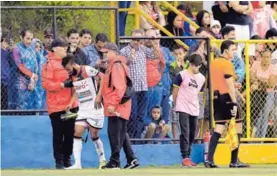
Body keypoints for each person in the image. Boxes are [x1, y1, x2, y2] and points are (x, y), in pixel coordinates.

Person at [205, 40, 249, 168]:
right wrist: (234, 102)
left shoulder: (214, 62)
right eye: (232, 50)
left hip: (216, 97)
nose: (234, 52)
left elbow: (219, 81)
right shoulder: (227, 64)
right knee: (238, 125)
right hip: (228, 98)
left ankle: (209, 160)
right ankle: (234, 161)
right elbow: (229, 85)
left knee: (219, 127)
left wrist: (233, 84)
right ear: (225, 51)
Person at [61, 54, 106, 169]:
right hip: (83, 109)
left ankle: (102, 161)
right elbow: (77, 90)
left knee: (94, 135)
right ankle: (77, 164)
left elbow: (103, 77)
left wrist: (99, 95)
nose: (67, 71)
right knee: (77, 133)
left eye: (68, 69)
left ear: (73, 64)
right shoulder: (73, 76)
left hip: (95, 108)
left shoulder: (86, 69)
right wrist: (71, 102)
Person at [42, 38, 79, 169]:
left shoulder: (70, 61)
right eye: (63, 47)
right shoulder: (49, 64)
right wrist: (63, 85)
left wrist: (73, 99)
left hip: (70, 105)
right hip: (56, 106)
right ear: (55, 48)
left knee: (69, 133)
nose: (65, 49)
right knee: (58, 134)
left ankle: (67, 159)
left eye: (65, 47)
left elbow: (77, 80)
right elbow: (46, 84)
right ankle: (59, 161)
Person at [101, 43, 139, 169]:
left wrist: (112, 104)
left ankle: (115, 161)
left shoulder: (116, 65)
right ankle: (131, 159)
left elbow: (119, 88)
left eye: (107, 52)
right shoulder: (116, 64)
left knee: (115, 134)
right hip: (121, 105)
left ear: (114, 52)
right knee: (121, 134)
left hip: (117, 105)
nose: (104, 54)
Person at [120, 29, 160, 139]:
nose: (136, 41)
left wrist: (154, 44)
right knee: (132, 115)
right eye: (135, 39)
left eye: (139, 39)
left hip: (143, 86)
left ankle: (137, 138)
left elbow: (155, 56)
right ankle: (129, 137)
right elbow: (122, 64)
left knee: (141, 115)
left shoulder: (143, 49)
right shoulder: (124, 50)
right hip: (132, 88)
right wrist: (130, 58)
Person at [172, 54, 206, 167]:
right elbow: (175, 91)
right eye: (192, 65)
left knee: (192, 133)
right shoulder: (181, 75)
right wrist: (176, 104)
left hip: (194, 108)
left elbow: (200, 95)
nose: (194, 67)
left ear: (200, 66)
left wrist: (200, 108)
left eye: (196, 66)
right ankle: (185, 157)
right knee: (185, 132)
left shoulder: (202, 78)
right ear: (189, 63)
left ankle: (188, 155)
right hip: (182, 107)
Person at [250, 49, 277, 138]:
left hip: (268, 94)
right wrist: (264, 81)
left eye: (268, 57)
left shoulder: (273, 67)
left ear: (270, 58)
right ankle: (255, 139)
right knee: (257, 116)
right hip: (257, 93)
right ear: (261, 57)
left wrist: (259, 81)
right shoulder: (256, 64)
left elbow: (271, 84)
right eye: (264, 57)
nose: (266, 59)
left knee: (265, 116)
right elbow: (251, 78)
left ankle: (261, 139)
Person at [12, 29, 40, 110]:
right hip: (20, 83)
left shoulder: (31, 50)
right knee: (21, 106)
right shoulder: (16, 49)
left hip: (32, 82)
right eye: (27, 38)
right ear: (21, 37)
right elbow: (19, 66)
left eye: (31, 39)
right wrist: (31, 75)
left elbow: (36, 66)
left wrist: (33, 80)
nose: (30, 41)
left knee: (32, 106)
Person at [144, 29, 165, 124]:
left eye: (152, 38)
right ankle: (144, 131)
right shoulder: (141, 50)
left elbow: (162, 65)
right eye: (147, 37)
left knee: (156, 109)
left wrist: (158, 75)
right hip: (144, 85)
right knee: (144, 109)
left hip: (156, 85)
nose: (149, 40)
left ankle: (155, 131)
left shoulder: (158, 51)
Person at [169, 45, 189, 139]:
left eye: (180, 54)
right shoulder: (172, 66)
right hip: (176, 93)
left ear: (185, 54)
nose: (178, 56)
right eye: (176, 54)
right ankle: (175, 138)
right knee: (174, 117)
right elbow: (175, 79)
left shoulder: (188, 65)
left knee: (187, 116)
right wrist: (177, 67)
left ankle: (186, 136)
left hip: (187, 93)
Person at [31, 38, 47, 109]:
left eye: (39, 47)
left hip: (42, 83)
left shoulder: (43, 59)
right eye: (36, 46)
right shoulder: (29, 59)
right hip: (33, 82)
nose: (38, 49)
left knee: (41, 101)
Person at [1, 36, 10, 110]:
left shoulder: (8, 51)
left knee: (5, 100)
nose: (7, 45)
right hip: (2, 78)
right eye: (6, 42)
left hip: (5, 79)